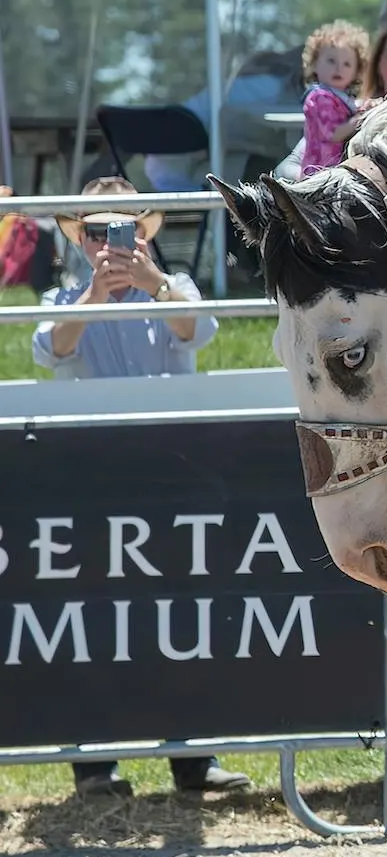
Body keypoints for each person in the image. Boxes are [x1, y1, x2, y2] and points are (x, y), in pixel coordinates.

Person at [30, 180, 248, 797]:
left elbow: (196, 328)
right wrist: (95, 297)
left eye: (120, 230)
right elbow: (51, 347)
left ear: (143, 235)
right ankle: (96, 767)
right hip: (94, 476)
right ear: (81, 242)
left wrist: (151, 283)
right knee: (93, 619)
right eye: (96, 232)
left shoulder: (174, 288)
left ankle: (192, 762)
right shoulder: (63, 297)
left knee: (183, 617)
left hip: (170, 470)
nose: (108, 244)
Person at [298, 21, 370, 177]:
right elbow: (333, 133)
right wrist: (362, 117)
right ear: (314, 64)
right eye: (331, 61)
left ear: (357, 71)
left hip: (335, 171)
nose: (339, 68)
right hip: (319, 172)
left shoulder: (343, 98)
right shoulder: (319, 97)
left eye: (347, 64)